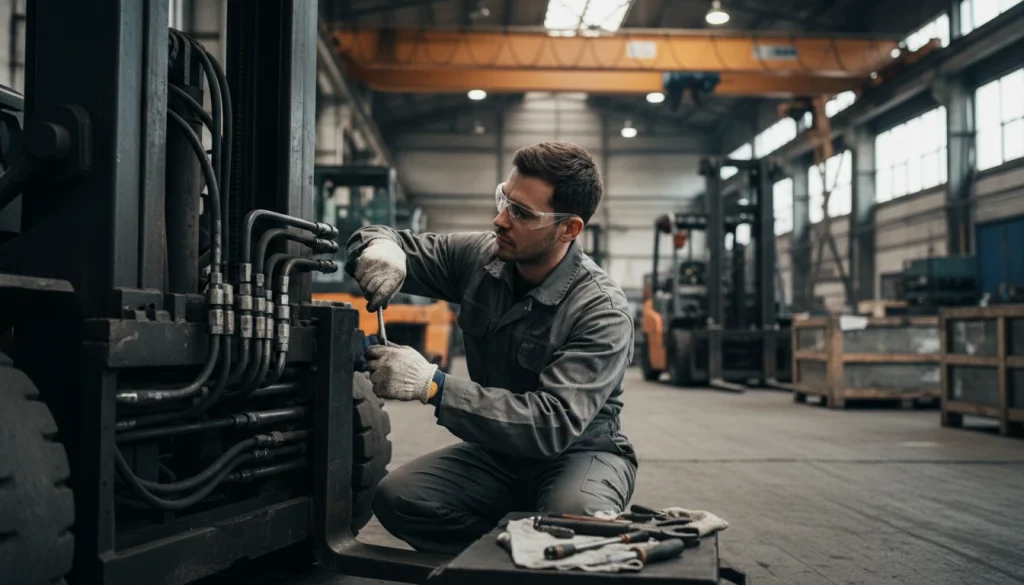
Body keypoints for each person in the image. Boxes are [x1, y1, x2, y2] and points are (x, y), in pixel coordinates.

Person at [344, 141, 637, 555]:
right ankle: (512, 551)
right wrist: (382, 249)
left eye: (522, 213)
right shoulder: (482, 258)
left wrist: (434, 386)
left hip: (578, 453)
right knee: (399, 499)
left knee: (572, 526)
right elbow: (393, 238)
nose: (500, 220)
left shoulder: (601, 310)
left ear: (569, 229)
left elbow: (552, 424)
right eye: (505, 199)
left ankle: (543, 536)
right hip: (498, 454)